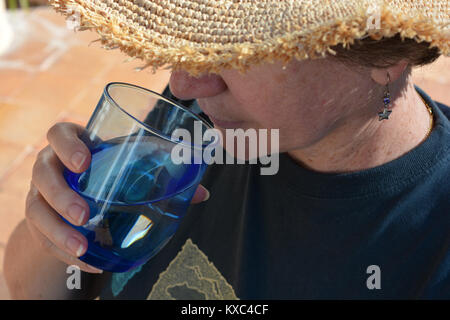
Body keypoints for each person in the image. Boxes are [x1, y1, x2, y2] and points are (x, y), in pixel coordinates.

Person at [4, 0, 450, 299]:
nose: (184, 83)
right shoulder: (193, 121)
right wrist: (53, 229)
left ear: (384, 56)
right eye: (189, 39)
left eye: (236, 49)